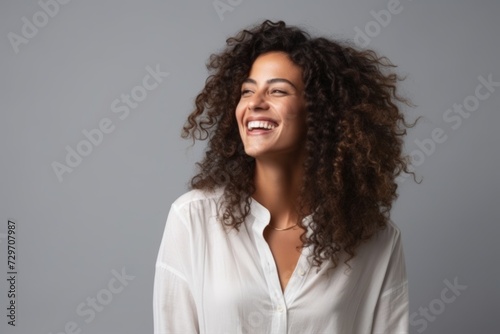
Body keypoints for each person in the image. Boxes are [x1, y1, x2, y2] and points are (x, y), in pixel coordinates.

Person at [153, 19, 416, 334]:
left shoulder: (376, 239)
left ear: (320, 111)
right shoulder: (193, 218)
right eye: (246, 91)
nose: (254, 104)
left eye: (277, 90)